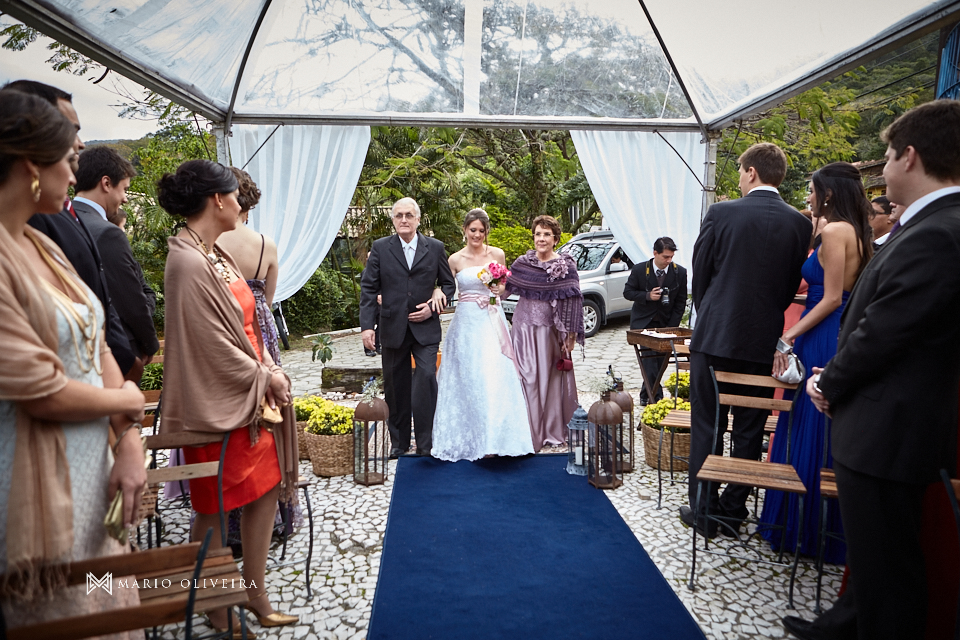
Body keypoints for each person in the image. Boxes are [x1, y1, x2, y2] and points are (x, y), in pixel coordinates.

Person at [782, 101, 960, 640]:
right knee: (874, 558)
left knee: (890, 571)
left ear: (910, 156)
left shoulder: (938, 233)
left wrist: (827, 381)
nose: (881, 171)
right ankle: (840, 626)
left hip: (890, 427)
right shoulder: (927, 225)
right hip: (889, 419)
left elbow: (886, 329)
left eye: (885, 157)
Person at [0, 90, 146, 633]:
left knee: (107, 603)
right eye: (68, 158)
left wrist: (127, 439)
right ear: (31, 165)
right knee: (64, 617)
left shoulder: (41, 245)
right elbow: (41, 389)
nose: (74, 166)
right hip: (38, 489)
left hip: (95, 478)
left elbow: (97, 340)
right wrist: (128, 400)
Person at [159, 159, 300, 634]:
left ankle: (254, 592)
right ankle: (214, 604)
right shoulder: (186, 259)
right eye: (235, 195)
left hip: (253, 397)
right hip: (220, 403)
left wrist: (269, 370)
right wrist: (265, 377)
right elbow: (209, 345)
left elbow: (247, 326)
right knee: (215, 508)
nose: (242, 201)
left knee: (263, 495)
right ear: (217, 200)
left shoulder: (214, 252)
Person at [682, 142, 810, 538]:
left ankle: (704, 512)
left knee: (708, 423)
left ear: (751, 172)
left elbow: (700, 273)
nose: (738, 178)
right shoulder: (799, 223)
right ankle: (733, 512)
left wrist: (712, 313)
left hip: (716, 334)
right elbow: (790, 284)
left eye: (740, 171)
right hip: (762, 339)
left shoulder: (721, 213)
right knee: (751, 427)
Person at [759, 162, 873, 566]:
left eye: (811, 189)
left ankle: (804, 528)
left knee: (810, 424)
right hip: (827, 329)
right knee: (809, 424)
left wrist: (787, 336)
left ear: (828, 193)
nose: (807, 195)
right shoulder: (850, 230)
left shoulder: (837, 231)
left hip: (822, 331)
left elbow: (829, 297)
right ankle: (814, 526)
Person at [3, 79, 136, 376]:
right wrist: (122, 399)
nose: (80, 144)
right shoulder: (29, 219)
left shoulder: (42, 236)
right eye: (68, 130)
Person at [432, 209, 535, 461]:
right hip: (466, 322)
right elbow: (443, 284)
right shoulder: (455, 259)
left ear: (486, 232)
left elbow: (504, 289)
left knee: (494, 372)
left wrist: (498, 289)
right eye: (472, 230)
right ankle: (470, 436)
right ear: (465, 230)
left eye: (481, 230)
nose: (477, 234)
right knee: (468, 375)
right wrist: (436, 290)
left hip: (492, 319)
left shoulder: (497, 254)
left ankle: (496, 438)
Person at [360, 198, 456, 458]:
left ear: (418, 219)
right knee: (395, 385)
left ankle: (426, 442)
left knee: (425, 378)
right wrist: (367, 327)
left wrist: (436, 302)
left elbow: (448, 284)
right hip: (392, 327)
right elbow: (369, 288)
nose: (404, 219)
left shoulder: (435, 248)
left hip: (425, 329)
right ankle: (399, 443)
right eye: (399, 215)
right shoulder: (380, 248)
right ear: (393, 220)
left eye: (409, 215)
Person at [72, 146, 159, 385]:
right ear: (106, 183)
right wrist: (149, 344)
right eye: (124, 189)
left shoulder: (61, 219)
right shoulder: (107, 232)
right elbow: (129, 298)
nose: (126, 198)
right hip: (118, 351)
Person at [505, 215, 584, 450]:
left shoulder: (566, 266)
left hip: (550, 331)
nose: (541, 238)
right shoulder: (522, 264)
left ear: (555, 238)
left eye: (546, 234)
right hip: (523, 329)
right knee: (526, 379)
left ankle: (550, 430)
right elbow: (504, 290)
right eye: (538, 234)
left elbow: (573, 300)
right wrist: (487, 284)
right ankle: (526, 432)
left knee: (549, 381)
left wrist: (570, 336)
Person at [217, 168, 283, 366]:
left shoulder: (206, 243)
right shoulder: (266, 245)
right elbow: (267, 299)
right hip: (258, 324)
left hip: (222, 323)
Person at [623, 236, 688, 405]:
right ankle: (656, 399)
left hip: (666, 324)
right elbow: (628, 293)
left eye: (671, 257)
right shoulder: (639, 270)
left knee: (660, 363)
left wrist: (672, 327)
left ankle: (646, 395)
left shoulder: (679, 272)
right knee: (650, 363)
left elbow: (681, 302)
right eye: (665, 257)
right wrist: (647, 296)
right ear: (655, 253)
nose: (668, 260)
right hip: (643, 324)